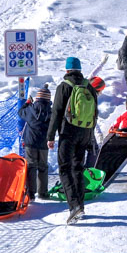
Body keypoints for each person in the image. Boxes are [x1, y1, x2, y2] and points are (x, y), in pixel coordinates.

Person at [47, 57, 98, 224]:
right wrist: (90, 135)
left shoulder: (64, 86)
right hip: (84, 132)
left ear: (67, 70)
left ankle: (74, 206)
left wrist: (50, 136)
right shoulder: (88, 86)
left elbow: (56, 112)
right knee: (78, 168)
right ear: (79, 69)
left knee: (64, 168)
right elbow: (94, 113)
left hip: (68, 133)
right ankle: (80, 205)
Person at [19, 84, 52, 200]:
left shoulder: (30, 109)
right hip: (44, 144)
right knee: (43, 167)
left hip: (30, 143)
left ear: (37, 98)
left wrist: (28, 103)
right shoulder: (51, 112)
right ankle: (43, 193)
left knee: (31, 166)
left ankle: (31, 193)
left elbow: (20, 112)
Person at [84, 76, 105, 168]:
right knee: (94, 150)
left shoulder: (82, 92)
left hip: (76, 128)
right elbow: (92, 117)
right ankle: (89, 172)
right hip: (87, 128)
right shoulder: (91, 98)